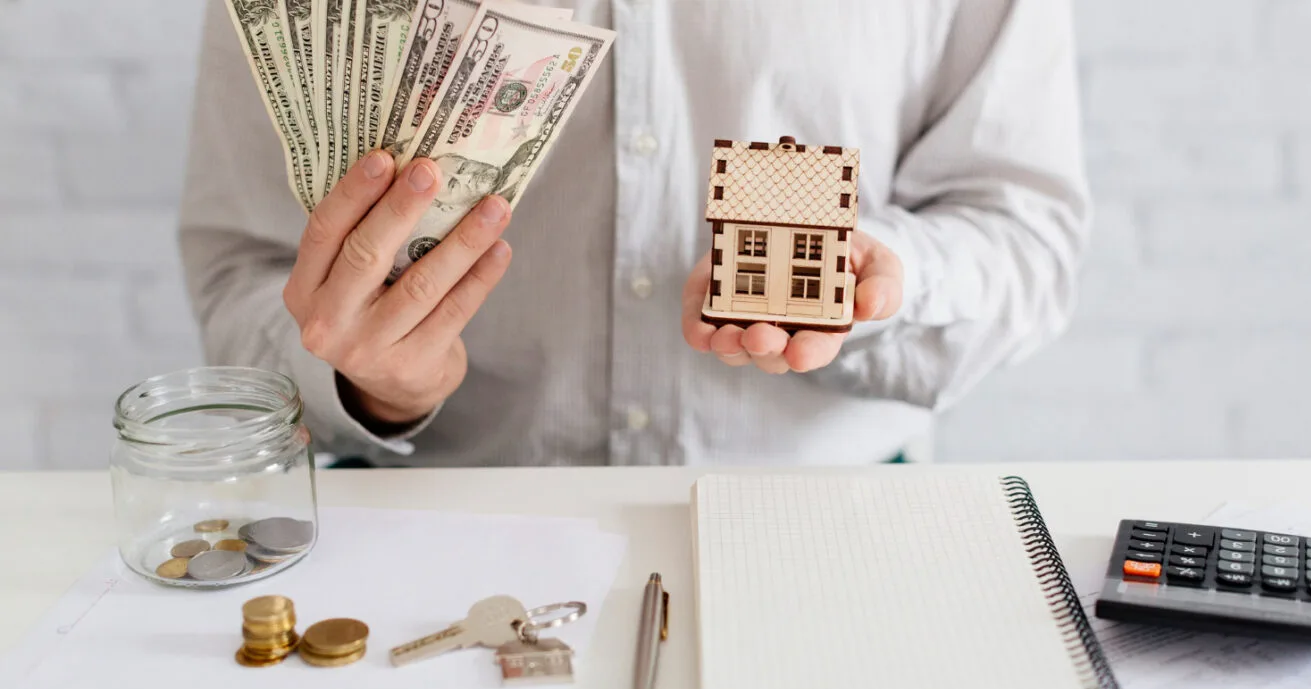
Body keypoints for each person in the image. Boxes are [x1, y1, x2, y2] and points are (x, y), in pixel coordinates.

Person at [178, 0, 1089, 467]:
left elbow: (1024, 234)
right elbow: (242, 268)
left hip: (828, 510)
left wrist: (889, 279)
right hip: (452, 517)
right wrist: (366, 382)